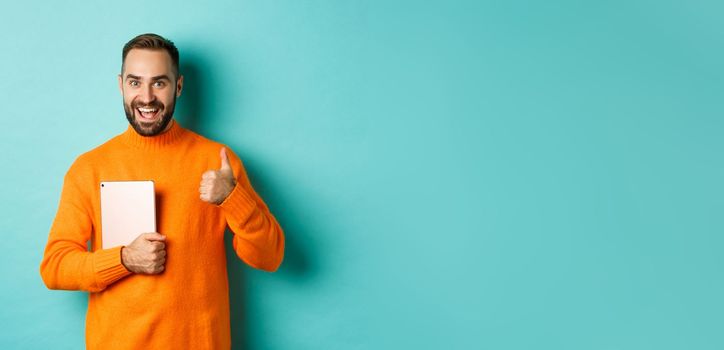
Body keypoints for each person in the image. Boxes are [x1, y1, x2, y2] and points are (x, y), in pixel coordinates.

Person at [39, 33, 285, 349]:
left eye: (159, 83)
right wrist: (125, 259)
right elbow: (55, 267)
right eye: (135, 82)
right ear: (120, 85)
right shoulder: (89, 167)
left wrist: (233, 198)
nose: (146, 97)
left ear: (178, 87)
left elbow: (270, 257)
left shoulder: (217, 162)